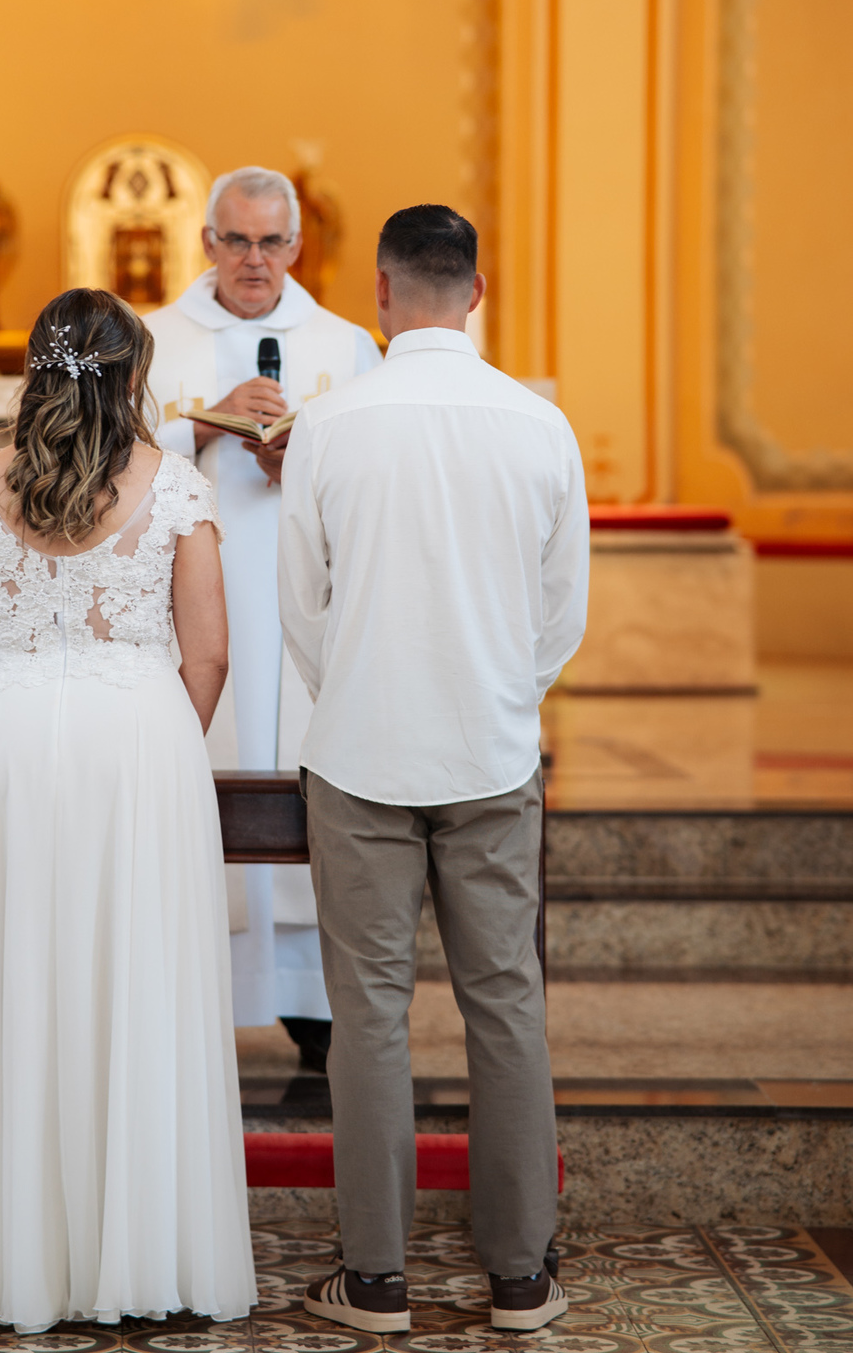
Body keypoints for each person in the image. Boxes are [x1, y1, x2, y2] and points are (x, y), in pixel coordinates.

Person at [0, 289, 257, 1333]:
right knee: (133, 973)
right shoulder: (175, 484)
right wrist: (150, 729)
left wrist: (14, 704)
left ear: (37, 369)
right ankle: (137, 1250)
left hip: (7, 737)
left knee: (14, 972)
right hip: (139, 736)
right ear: (134, 375)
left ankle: (13, 1254)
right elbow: (212, 653)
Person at [277, 205, 589, 1335]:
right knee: (506, 1004)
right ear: (478, 288)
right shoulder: (538, 425)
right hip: (493, 751)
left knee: (368, 1014)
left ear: (379, 292)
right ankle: (520, 1281)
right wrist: (505, 698)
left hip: (359, 752)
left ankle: (374, 1284)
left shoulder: (330, 426)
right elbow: (563, 613)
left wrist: (358, 687)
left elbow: (300, 607)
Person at [147, 168, 380, 1068]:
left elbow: (377, 471)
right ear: (205, 242)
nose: (255, 260)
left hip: (304, 609)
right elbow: (104, 461)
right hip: (181, 608)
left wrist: (306, 463)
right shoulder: (153, 341)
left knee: (304, 773)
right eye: (237, 240)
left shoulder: (348, 344)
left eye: (272, 242)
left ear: (297, 245)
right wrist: (199, 433)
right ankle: (190, 999)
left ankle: (313, 1010)